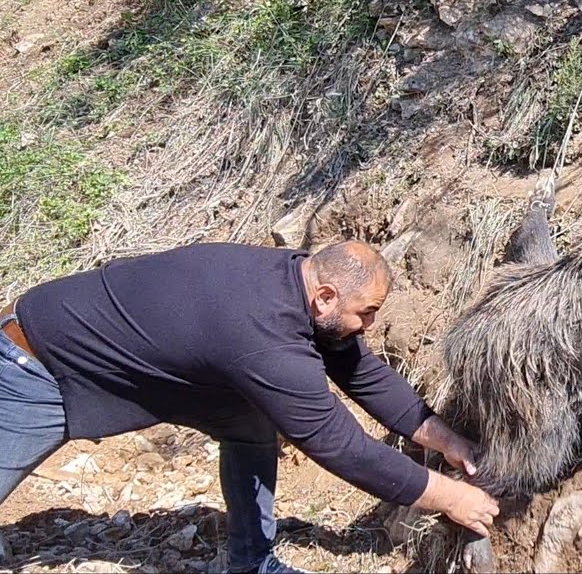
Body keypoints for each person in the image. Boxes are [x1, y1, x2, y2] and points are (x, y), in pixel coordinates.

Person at [0, 240, 499, 574]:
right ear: (325, 297)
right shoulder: (263, 337)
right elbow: (339, 445)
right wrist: (452, 498)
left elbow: (358, 370)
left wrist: (441, 436)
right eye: (364, 313)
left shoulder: (295, 282)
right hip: (36, 363)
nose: (367, 325)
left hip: (131, 359)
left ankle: (251, 562)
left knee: (248, 418)